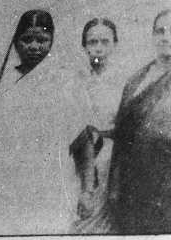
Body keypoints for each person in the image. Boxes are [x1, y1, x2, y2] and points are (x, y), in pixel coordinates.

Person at [0, 10, 85, 235]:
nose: (34, 46)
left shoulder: (66, 83)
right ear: (16, 42)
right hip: (3, 183)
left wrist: (87, 191)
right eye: (27, 39)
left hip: (50, 185)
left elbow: (82, 141)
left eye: (42, 40)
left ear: (52, 41)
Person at [106, 10, 171, 233]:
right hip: (132, 182)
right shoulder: (136, 79)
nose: (166, 37)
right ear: (152, 35)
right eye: (160, 31)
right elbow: (122, 135)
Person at [71, 17, 124, 233]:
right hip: (78, 156)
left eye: (105, 42)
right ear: (84, 46)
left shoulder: (125, 81)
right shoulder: (74, 80)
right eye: (93, 42)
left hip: (109, 156)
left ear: (115, 44)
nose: (98, 48)